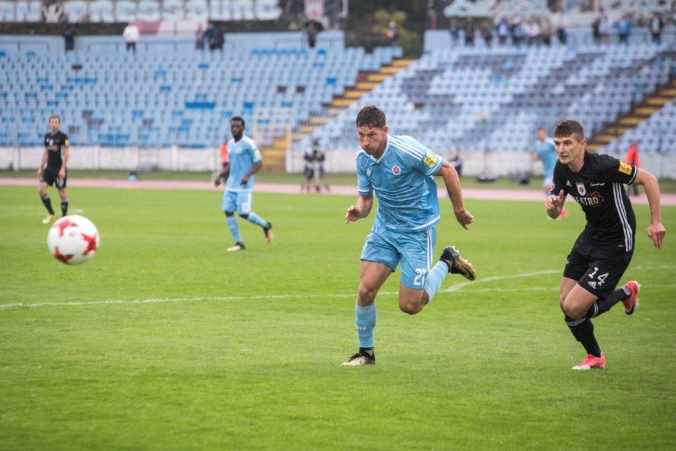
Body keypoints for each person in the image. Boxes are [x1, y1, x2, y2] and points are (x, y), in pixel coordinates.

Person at [342, 105, 477, 366]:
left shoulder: (407, 150)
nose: (366, 142)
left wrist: (459, 210)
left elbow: (447, 169)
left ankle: (447, 261)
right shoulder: (362, 159)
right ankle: (365, 353)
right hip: (385, 230)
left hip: (417, 232)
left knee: (411, 306)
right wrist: (359, 210)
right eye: (360, 135)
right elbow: (366, 200)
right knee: (365, 290)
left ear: (385, 131)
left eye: (371, 135)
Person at [544, 120, 666, 370]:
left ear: (582, 144)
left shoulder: (604, 165)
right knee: (565, 305)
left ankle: (625, 293)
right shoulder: (561, 168)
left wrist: (655, 222)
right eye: (557, 143)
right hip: (590, 236)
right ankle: (595, 357)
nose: (561, 149)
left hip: (616, 242)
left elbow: (650, 180)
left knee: (574, 308)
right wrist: (555, 208)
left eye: (567, 143)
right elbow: (554, 213)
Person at [213, 117, 273, 252]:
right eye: (232, 126)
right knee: (228, 211)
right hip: (231, 184)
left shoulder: (249, 144)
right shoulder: (229, 144)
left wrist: (247, 175)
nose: (234, 129)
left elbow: (259, 163)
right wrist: (220, 175)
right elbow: (231, 164)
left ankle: (266, 226)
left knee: (243, 213)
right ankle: (239, 243)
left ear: (243, 128)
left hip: (244, 185)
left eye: (237, 126)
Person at [38, 114, 69, 224]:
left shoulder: (63, 137)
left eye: (56, 122)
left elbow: (66, 153)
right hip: (49, 168)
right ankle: (51, 213)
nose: (54, 124)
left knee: (62, 193)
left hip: (58, 168)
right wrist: (41, 167)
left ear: (59, 124)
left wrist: (63, 169)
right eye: (52, 122)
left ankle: (64, 218)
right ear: (49, 123)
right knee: (41, 190)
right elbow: (46, 153)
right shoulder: (47, 136)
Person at [534, 127, 567, 219]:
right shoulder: (537, 144)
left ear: (544, 133)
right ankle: (559, 209)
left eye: (541, 133)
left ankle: (556, 209)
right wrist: (536, 158)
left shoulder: (550, 142)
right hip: (547, 170)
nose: (539, 135)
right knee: (549, 190)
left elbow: (560, 149)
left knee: (547, 189)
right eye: (538, 133)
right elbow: (537, 155)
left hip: (554, 169)